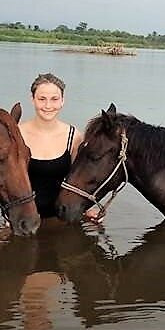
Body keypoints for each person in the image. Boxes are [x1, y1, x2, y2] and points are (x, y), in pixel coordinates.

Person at [18, 72, 95, 221]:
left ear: (62, 101)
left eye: (54, 99)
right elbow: (4, 181)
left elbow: (80, 181)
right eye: (42, 99)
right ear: (32, 99)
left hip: (61, 217)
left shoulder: (74, 137)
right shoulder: (17, 135)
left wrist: (89, 208)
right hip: (23, 219)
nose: (48, 106)